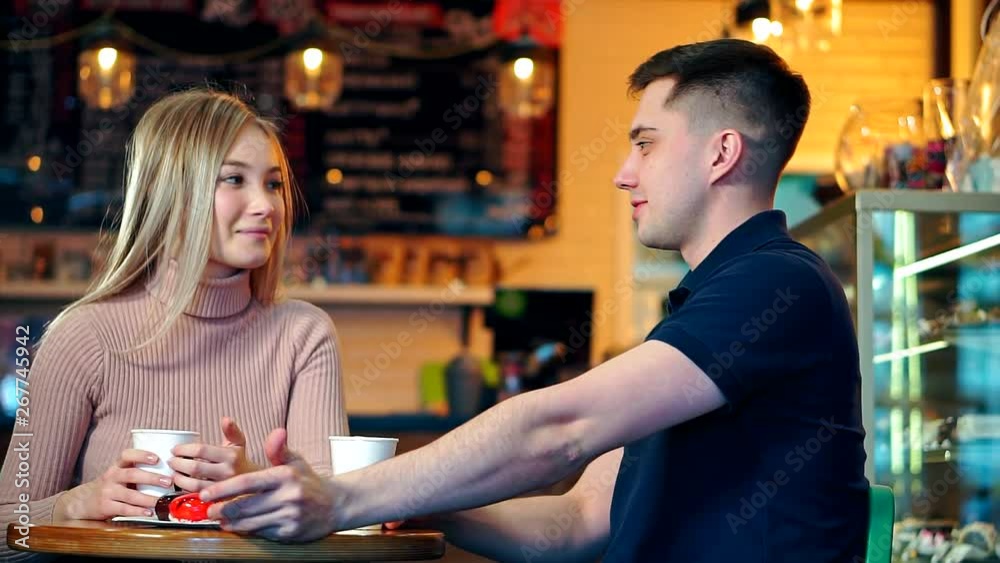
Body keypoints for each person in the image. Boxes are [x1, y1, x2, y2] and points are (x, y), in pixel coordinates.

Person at [201, 39, 870, 562]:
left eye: (645, 144)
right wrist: (419, 503)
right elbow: (578, 520)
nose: (623, 174)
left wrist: (342, 497)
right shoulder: (712, 306)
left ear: (721, 153)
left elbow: (556, 429)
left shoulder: (777, 284)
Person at [0, 89, 349, 561]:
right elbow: (5, 528)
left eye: (272, 184)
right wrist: (69, 506)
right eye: (234, 179)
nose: (266, 205)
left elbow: (337, 527)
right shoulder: (83, 337)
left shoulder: (304, 335)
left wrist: (254, 486)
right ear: (172, 194)